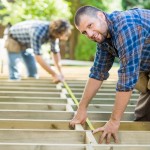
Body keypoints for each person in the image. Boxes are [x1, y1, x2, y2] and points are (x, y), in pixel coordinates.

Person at [70, 5, 150, 144]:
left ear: (101, 16)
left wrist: (114, 121)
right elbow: (97, 73)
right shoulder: (103, 38)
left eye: (90, 25)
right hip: (146, 61)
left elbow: (126, 79)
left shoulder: (125, 28)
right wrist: (82, 108)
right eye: (84, 32)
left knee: (132, 79)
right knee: (142, 87)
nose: (89, 34)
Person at [4, 19, 71, 83]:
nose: (65, 37)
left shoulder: (54, 35)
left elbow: (55, 53)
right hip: (13, 39)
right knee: (15, 73)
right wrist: (54, 74)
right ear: (58, 32)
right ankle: (15, 83)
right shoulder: (38, 32)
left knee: (33, 72)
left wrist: (60, 73)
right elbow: (38, 58)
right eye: (64, 34)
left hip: (26, 43)